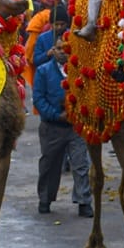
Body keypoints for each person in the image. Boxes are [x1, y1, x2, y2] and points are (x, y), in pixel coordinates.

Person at [33, 38, 92, 217]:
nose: (62, 52)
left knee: (81, 164)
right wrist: (55, 114)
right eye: (58, 48)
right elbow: (38, 99)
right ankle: (45, 199)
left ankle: (84, 202)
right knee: (49, 165)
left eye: (65, 48)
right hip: (52, 127)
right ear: (53, 50)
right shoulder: (43, 71)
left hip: (75, 126)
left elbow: (88, 93)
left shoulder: (79, 69)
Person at [33, 5, 70, 70]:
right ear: (51, 24)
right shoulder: (42, 38)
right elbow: (36, 61)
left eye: (62, 24)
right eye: (56, 24)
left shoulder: (71, 36)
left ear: (67, 24)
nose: (59, 27)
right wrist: (47, 54)